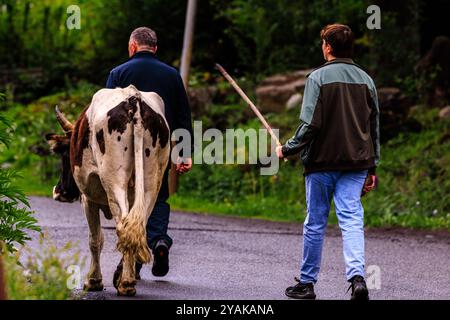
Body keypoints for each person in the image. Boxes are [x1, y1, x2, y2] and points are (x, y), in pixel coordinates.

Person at [276, 24, 380, 300]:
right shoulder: (366, 80)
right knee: (352, 220)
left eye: (323, 42)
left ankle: (307, 284)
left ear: (329, 47)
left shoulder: (317, 78)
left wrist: (287, 149)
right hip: (357, 162)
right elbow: (374, 127)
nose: (322, 47)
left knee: (315, 222)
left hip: (322, 162)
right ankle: (357, 278)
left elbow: (310, 125)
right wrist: (373, 166)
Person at [106, 27, 193, 278]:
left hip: (122, 152)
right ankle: (158, 241)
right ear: (155, 48)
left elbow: (104, 117)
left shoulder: (118, 73)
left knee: (128, 199)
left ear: (133, 46)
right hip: (157, 149)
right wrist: (184, 153)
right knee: (157, 195)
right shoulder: (171, 75)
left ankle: (132, 259)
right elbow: (182, 116)